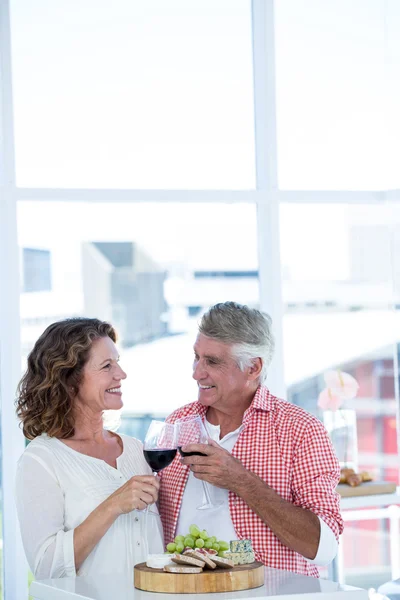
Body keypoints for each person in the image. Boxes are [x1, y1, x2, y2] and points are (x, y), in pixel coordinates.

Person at [158, 302, 343, 577]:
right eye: (196, 357)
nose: (197, 372)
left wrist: (241, 480)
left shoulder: (301, 430)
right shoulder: (177, 422)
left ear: (253, 368)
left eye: (213, 361)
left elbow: (323, 548)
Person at [15, 318, 163, 579]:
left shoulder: (136, 450)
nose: (121, 374)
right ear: (70, 380)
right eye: (107, 366)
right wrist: (113, 505)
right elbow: (46, 567)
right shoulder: (41, 460)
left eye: (118, 362)